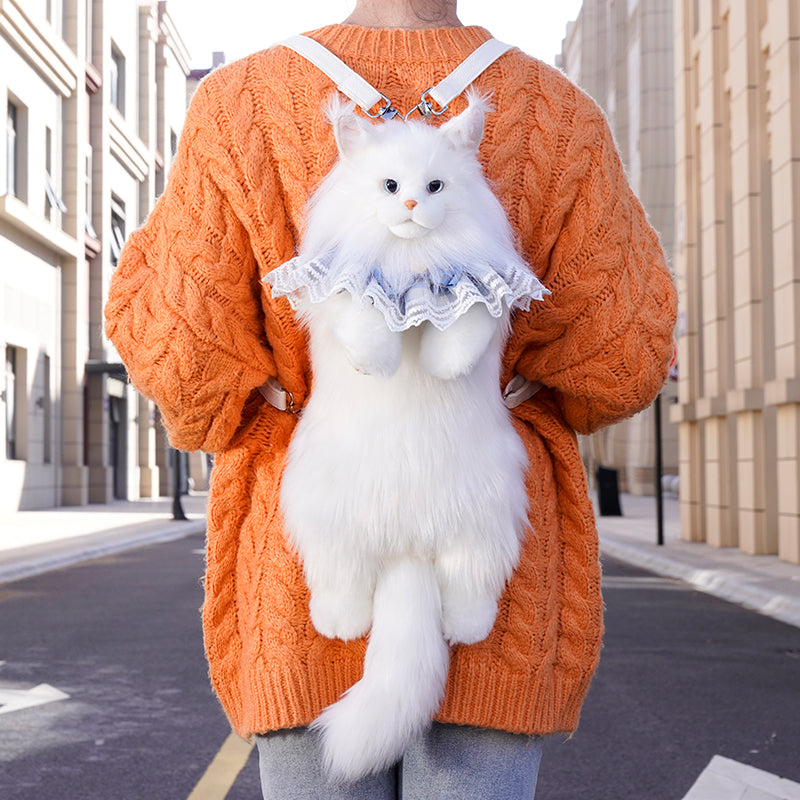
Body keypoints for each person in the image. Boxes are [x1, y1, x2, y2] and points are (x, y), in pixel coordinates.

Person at [104, 0, 678, 797]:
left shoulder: (239, 103)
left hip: (310, 570)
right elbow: (624, 360)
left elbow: (184, 361)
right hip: (490, 579)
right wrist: (520, 377)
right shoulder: (559, 114)